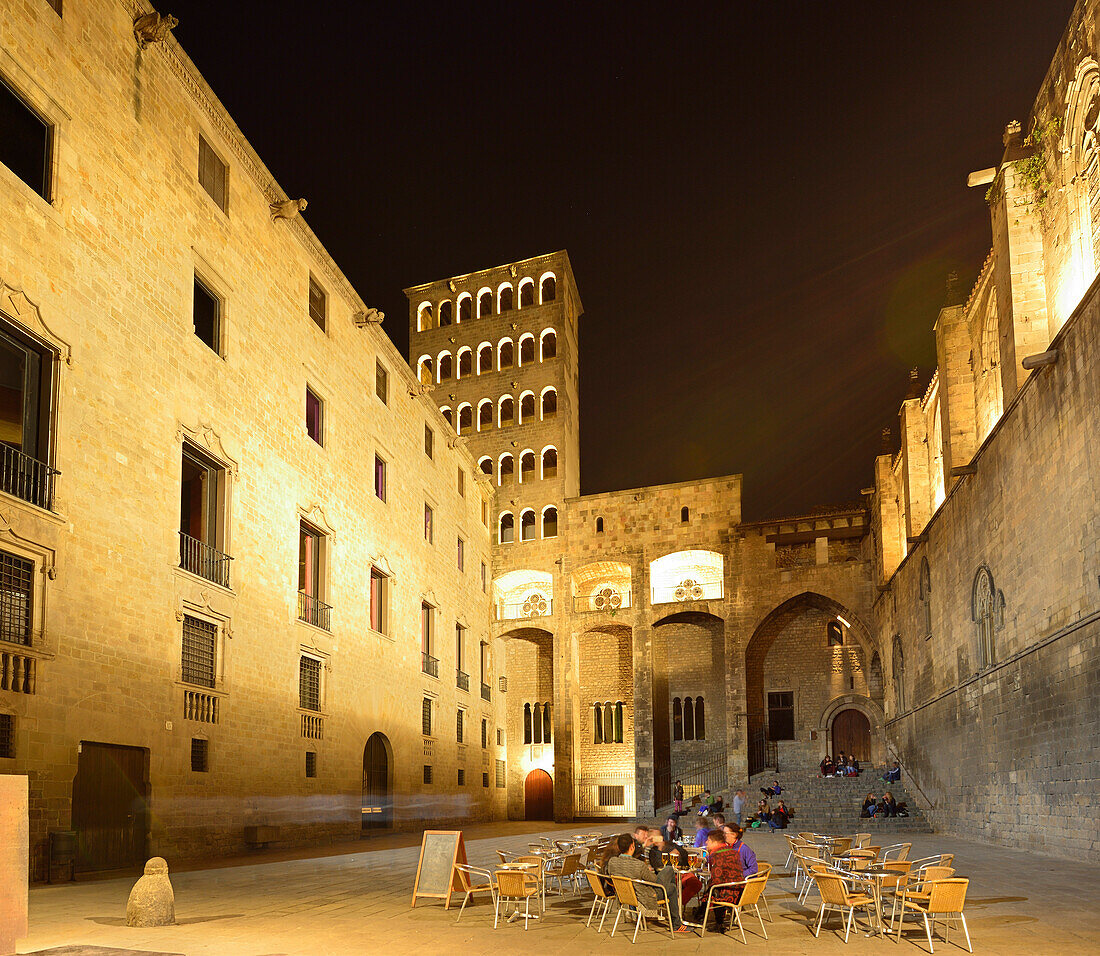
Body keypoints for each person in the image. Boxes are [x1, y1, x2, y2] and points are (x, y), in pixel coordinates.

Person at [608, 832, 691, 933]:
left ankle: (674, 917)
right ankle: (676, 924)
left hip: (626, 896)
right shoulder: (638, 865)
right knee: (670, 877)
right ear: (632, 846)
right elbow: (654, 880)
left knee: (670, 885)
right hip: (644, 896)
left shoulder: (612, 862)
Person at [703, 829, 744, 933]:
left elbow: (717, 879)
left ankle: (718, 923)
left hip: (727, 893)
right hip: (740, 891)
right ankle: (701, 914)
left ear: (715, 842)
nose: (706, 842)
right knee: (711, 888)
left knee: (712, 889)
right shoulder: (734, 852)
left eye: (708, 840)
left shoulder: (716, 855)